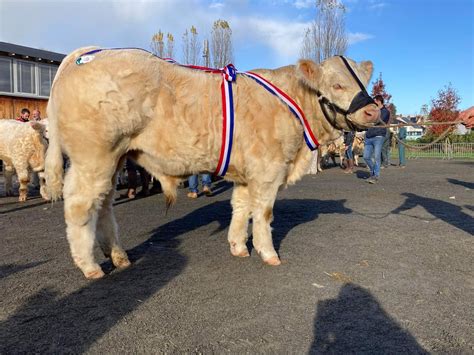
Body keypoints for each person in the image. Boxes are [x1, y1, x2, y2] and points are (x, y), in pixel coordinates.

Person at [363, 95, 391, 184]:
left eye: (374, 101)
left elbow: (378, 120)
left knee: (376, 157)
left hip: (378, 136)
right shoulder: (373, 111)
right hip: (369, 136)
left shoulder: (385, 111)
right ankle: (373, 172)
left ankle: (376, 176)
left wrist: (370, 118)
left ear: (379, 101)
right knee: (366, 157)